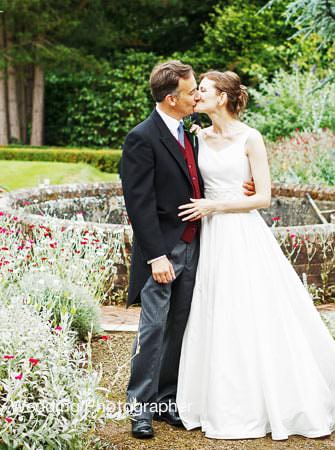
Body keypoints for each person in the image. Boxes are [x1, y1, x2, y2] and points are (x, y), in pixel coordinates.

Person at [175, 70, 335, 441]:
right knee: (217, 311)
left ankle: (276, 397)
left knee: (255, 309)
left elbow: (262, 198)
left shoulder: (250, 138)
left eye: (205, 91)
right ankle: (219, 398)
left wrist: (217, 205)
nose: (197, 96)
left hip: (241, 232)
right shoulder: (197, 136)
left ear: (223, 98)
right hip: (210, 237)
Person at [119, 61, 253, 439]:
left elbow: (204, 180)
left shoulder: (191, 134)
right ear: (170, 98)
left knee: (179, 326)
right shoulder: (142, 138)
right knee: (153, 326)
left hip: (197, 245)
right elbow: (139, 204)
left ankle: (166, 400)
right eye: (191, 90)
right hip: (162, 251)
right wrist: (156, 256)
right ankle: (140, 408)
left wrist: (238, 190)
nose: (196, 95)